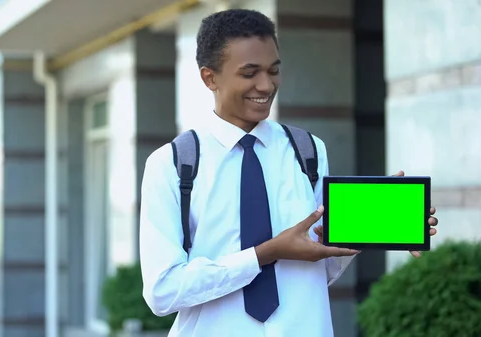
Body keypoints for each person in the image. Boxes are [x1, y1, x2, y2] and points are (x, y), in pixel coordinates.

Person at [138, 8, 438, 337]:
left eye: (274, 70)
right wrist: (266, 254)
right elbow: (162, 290)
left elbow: (318, 269)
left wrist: (374, 221)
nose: (266, 85)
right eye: (250, 72)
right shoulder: (173, 164)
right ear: (210, 77)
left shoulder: (308, 150)